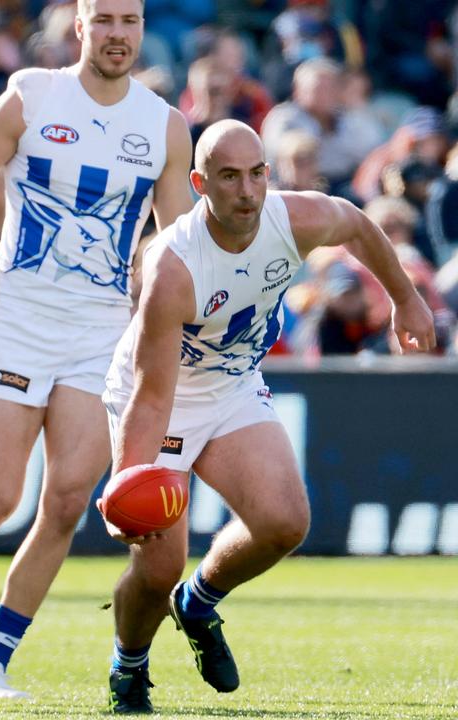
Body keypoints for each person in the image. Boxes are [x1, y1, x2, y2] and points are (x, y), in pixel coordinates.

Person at [0, 0, 194, 699]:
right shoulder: (32, 95)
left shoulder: (165, 126)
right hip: (20, 319)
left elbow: (178, 243)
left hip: (101, 332)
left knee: (65, 503)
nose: (118, 33)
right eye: (105, 19)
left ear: (142, 29)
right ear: (79, 25)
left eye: (131, 20)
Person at [100, 119, 434, 713]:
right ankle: (129, 664)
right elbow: (151, 396)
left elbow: (357, 225)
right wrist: (124, 486)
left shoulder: (292, 218)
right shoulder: (173, 266)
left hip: (230, 384)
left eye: (257, 173)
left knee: (284, 522)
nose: (248, 191)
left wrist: (405, 298)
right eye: (230, 177)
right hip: (166, 395)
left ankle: (198, 602)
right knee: (156, 567)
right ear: (201, 183)